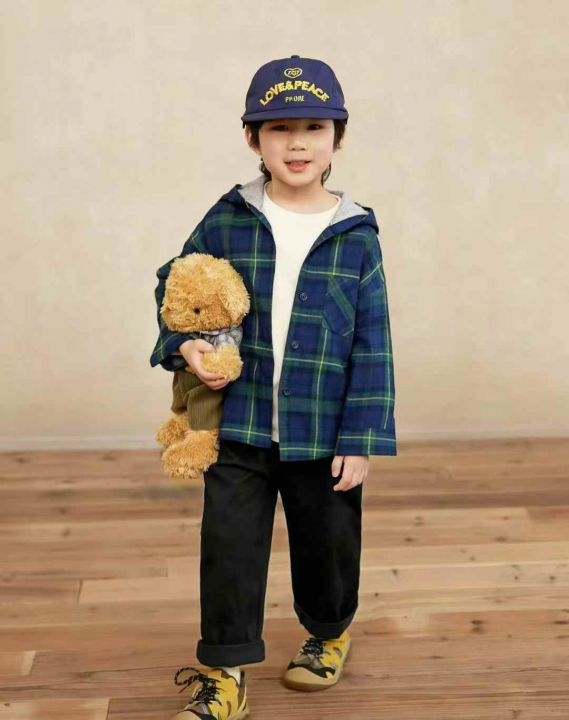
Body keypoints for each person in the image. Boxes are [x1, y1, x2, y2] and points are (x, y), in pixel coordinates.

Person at [150, 54, 397, 720]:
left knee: (328, 545)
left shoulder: (356, 234)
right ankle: (225, 674)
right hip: (240, 423)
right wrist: (184, 346)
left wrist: (361, 437)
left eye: (313, 127)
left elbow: (373, 342)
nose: (296, 143)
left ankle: (328, 631)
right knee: (228, 549)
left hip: (324, 429)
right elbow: (178, 286)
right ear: (251, 138)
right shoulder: (228, 218)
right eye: (278, 128)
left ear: (337, 138)